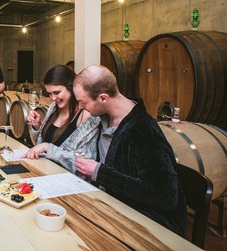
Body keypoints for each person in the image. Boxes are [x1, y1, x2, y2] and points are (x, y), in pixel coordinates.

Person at [73, 65, 186, 236]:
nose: (81, 107)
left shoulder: (143, 131)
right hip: (114, 208)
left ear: (103, 98)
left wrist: (99, 172)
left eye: (83, 102)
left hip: (150, 227)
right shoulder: (102, 117)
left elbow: (166, 196)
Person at [20, 65, 101, 173]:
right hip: (43, 172)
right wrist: (38, 125)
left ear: (71, 87)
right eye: (49, 93)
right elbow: (40, 145)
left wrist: (49, 148)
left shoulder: (87, 115)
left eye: (57, 92)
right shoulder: (54, 107)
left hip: (68, 182)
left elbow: (84, 164)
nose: (53, 98)